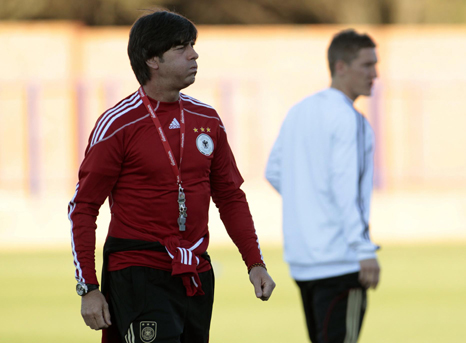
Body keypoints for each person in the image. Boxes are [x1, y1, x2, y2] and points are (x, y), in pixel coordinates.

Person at [68, 9, 275, 343]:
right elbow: (83, 206)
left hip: (195, 271)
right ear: (153, 60)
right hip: (138, 271)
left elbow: (230, 197)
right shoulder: (118, 124)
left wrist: (255, 263)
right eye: (181, 47)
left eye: (192, 45)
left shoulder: (207, 119)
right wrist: (88, 287)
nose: (194, 54)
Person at [265, 29, 381, 343]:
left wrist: (309, 205)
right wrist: (364, 248)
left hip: (303, 261)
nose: (375, 74)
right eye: (367, 65)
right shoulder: (350, 120)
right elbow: (348, 189)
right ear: (341, 66)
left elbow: (273, 170)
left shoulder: (298, 111)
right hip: (340, 262)